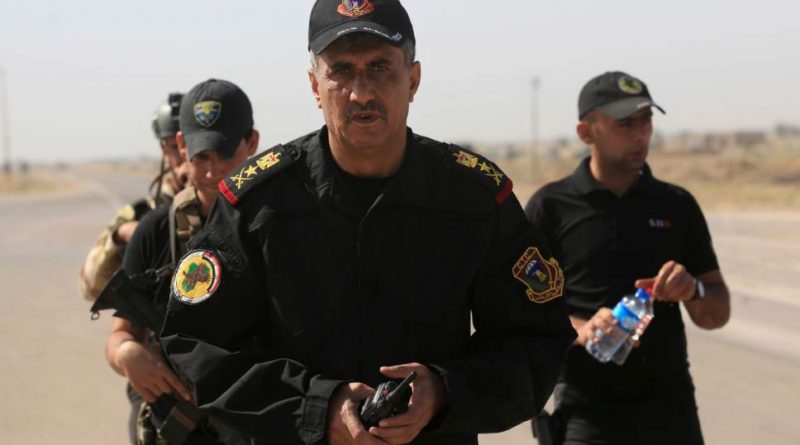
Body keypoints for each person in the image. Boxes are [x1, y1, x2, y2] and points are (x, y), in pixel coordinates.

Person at [159, 1, 575, 444]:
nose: (361, 94)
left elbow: (537, 338)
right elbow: (196, 343)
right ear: (315, 86)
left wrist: (443, 391)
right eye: (341, 71)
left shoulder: (473, 198)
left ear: (412, 79)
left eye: (380, 68)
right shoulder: (258, 205)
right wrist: (316, 406)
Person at [524, 71, 731, 445]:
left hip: (670, 412)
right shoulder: (550, 208)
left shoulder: (677, 204)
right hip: (586, 414)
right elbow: (522, 313)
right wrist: (582, 329)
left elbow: (717, 314)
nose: (640, 134)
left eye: (646, 120)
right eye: (625, 123)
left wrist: (693, 290)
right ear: (586, 132)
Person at [106, 79, 259, 444]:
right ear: (181, 146)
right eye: (201, 156)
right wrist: (128, 355)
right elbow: (121, 334)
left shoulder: (274, 224)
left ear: (252, 143)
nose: (211, 171)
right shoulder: (155, 231)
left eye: (225, 154)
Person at [78, 92, 188, 303]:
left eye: (193, 146)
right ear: (164, 150)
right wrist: (122, 237)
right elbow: (90, 288)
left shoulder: (226, 205)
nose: (185, 155)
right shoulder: (142, 213)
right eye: (176, 147)